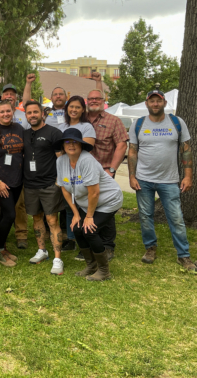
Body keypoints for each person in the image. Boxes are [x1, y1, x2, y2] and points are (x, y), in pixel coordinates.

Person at [128, 89, 197, 271]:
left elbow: (187, 150)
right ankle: (150, 248)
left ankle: (184, 256)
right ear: (147, 104)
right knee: (145, 216)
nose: (155, 104)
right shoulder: (138, 124)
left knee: (176, 218)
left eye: (158, 101)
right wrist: (132, 176)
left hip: (170, 180)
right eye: (152, 101)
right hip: (143, 180)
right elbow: (133, 151)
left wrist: (188, 176)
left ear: (164, 103)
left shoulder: (176, 122)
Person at [55, 128, 123, 281]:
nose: (71, 145)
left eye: (75, 142)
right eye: (67, 142)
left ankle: (104, 271)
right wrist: (77, 214)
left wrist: (89, 216)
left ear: (81, 145)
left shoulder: (87, 160)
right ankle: (91, 265)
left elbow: (94, 192)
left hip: (108, 200)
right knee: (77, 229)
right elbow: (65, 190)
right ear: (63, 145)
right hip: (87, 203)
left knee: (89, 230)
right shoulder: (61, 161)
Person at [85, 78, 129, 261]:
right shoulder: (82, 119)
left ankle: (108, 245)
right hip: (84, 172)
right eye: (91, 99)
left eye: (98, 99)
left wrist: (112, 169)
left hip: (104, 171)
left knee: (106, 208)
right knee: (87, 206)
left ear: (104, 102)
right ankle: (91, 241)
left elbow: (121, 145)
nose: (94, 101)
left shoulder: (113, 121)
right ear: (87, 102)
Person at [0, 84, 29, 249]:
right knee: (10, 214)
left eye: (8, 111)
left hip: (17, 179)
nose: (5, 114)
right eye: (2, 112)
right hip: (0, 181)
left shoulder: (19, 128)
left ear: (13, 111)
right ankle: (0, 248)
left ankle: (0, 245)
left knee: (6, 213)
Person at [22, 101, 65, 275]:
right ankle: (42, 251)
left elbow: (61, 158)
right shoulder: (24, 134)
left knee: (52, 221)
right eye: (29, 113)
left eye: (35, 112)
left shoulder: (54, 133)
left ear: (42, 113)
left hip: (49, 185)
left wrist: (58, 181)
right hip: (30, 185)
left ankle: (57, 258)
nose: (32, 115)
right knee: (37, 219)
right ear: (25, 115)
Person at [57, 96, 96, 252]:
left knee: (83, 206)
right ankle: (72, 238)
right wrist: (64, 164)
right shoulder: (62, 126)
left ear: (83, 110)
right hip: (66, 170)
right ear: (67, 108)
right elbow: (58, 149)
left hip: (82, 171)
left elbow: (86, 148)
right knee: (69, 206)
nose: (74, 110)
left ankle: (84, 240)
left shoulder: (87, 127)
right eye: (71, 107)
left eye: (78, 107)